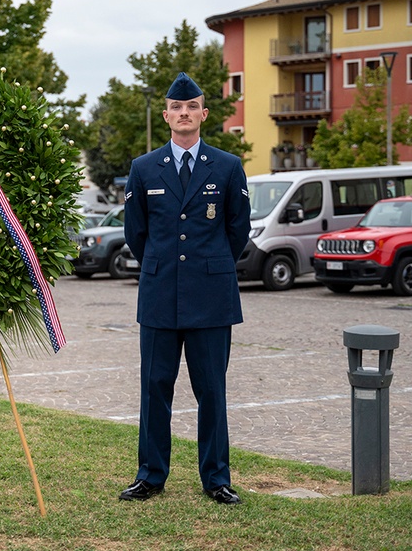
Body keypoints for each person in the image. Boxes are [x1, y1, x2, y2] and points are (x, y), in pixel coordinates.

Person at [120, 72, 251, 505]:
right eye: (176, 107)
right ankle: (150, 475)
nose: (184, 113)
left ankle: (217, 478)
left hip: (211, 297)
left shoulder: (228, 167)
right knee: (155, 388)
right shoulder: (142, 169)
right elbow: (136, 234)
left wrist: (207, 268)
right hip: (159, 295)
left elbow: (238, 231)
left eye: (191, 106)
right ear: (166, 116)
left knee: (211, 390)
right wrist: (165, 267)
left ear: (203, 114)